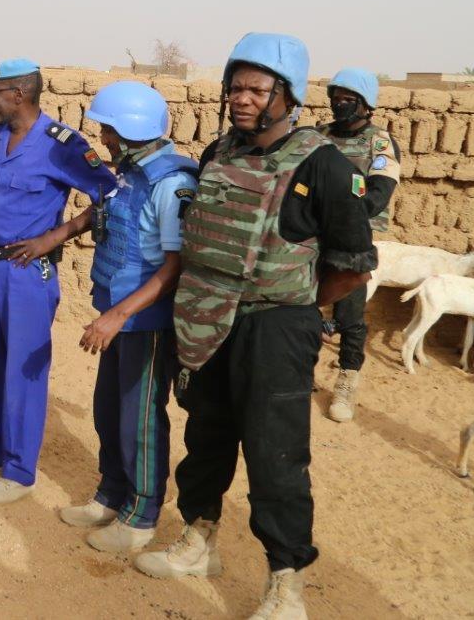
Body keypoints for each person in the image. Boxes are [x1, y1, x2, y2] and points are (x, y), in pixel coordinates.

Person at [133, 34, 376, 620]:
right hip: (209, 319)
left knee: (275, 456)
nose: (242, 99)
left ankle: (286, 586)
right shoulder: (219, 152)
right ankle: (199, 542)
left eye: (257, 90)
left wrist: (298, 306)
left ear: (286, 96)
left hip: (276, 329)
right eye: (236, 87)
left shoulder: (323, 164)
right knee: (206, 437)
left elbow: (353, 265)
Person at [0, 58, 116, 505]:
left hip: (27, 273)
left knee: (22, 369)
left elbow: (109, 194)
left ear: (19, 94)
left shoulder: (60, 144)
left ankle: (20, 472)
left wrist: (55, 236)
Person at [57, 82, 198, 554]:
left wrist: (116, 316)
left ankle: (141, 516)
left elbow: (173, 266)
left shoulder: (171, 184)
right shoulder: (130, 175)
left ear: (133, 130)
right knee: (109, 409)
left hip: (144, 321)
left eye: (110, 131)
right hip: (117, 313)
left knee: (140, 419)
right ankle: (110, 494)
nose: (104, 139)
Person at [316, 68, 401, 422]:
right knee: (303, 307)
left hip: (352, 240)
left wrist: (343, 215)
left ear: (366, 104)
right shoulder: (319, 136)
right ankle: (302, 369)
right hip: (311, 236)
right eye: (336, 98)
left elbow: (379, 193)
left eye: (348, 99)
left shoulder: (379, 142)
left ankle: (346, 382)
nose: (340, 104)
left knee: (349, 316)